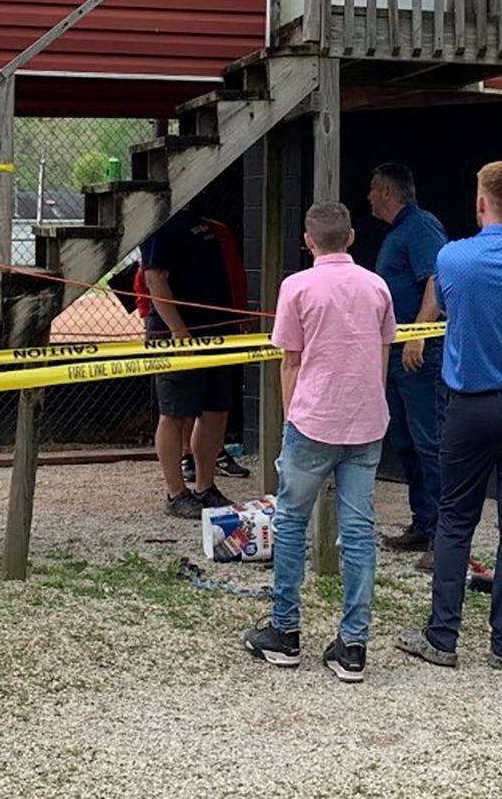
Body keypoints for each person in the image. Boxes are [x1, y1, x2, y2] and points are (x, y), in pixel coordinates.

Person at [398, 161, 502, 671]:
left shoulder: (454, 259)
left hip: (470, 405)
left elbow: (446, 307)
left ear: (480, 203)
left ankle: (443, 637)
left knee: (456, 518)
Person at [243, 201, 394, 683]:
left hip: (312, 420)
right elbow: (382, 355)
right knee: (358, 530)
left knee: (290, 522)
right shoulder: (377, 287)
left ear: (308, 242)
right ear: (351, 237)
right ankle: (353, 643)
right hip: (366, 421)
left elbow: (290, 360)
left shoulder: (297, 287)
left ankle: (286, 631)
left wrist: (292, 420)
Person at [366, 163, 449, 563]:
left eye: (371, 190)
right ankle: (423, 523)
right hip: (397, 352)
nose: (367, 197)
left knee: (430, 439)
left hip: (420, 352)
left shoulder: (420, 228)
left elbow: (437, 279)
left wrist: (419, 333)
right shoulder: (399, 233)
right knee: (407, 441)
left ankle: (444, 538)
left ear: (386, 191)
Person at [141, 206, 243, 518]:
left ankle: (205, 486)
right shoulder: (159, 226)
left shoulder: (200, 221)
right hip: (179, 334)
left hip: (214, 332)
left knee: (215, 410)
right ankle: (176, 493)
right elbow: (154, 278)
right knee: (175, 413)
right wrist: (177, 330)